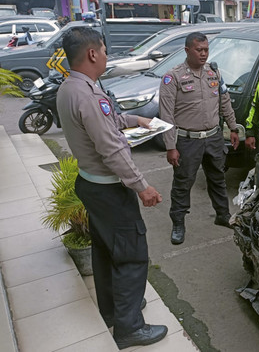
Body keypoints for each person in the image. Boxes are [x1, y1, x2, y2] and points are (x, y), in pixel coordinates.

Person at [56, 27, 167, 350]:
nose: (106, 56)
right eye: (103, 50)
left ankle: (113, 310)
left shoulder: (71, 88)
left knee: (105, 252)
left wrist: (133, 120)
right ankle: (130, 328)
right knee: (132, 255)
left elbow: (102, 124)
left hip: (90, 183)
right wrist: (142, 186)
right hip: (108, 189)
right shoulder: (88, 95)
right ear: (92, 54)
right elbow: (111, 149)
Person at [158, 32, 240, 245]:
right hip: (187, 141)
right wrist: (170, 146)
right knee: (183, 183)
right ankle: (178, 222)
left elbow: (225, 102)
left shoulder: (214, 72)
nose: (204, 54)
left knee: (217, 179)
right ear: (187, 50)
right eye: (199, 50)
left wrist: (233, 127)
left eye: (206, 50)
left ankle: (223, 214)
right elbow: (166, 116)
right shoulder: (172, 77)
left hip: (213, 138)